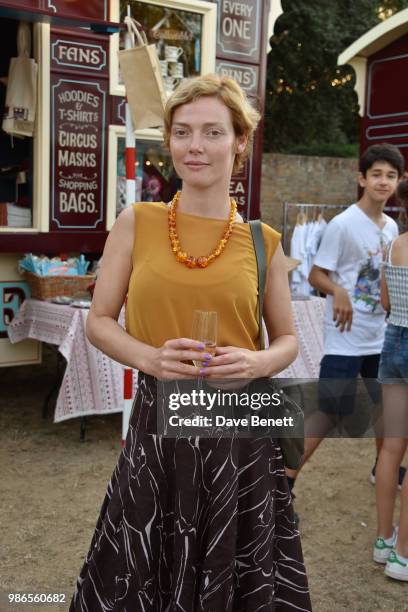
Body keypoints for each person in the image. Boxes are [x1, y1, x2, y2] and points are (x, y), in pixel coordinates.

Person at [70, 74, 312, 611]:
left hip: (238, 430)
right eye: (182, 132)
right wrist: (148, 357)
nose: (195, 146)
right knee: (145, 565)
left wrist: (257, 359)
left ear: (239, 142)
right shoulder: (137, 222)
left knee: (236, 569)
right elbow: (100, 320)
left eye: (212, 132)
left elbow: (288, 340)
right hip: (160, 428)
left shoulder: (263, 240)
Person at [286, 143, 405, 497]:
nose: (383, 182)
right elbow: (316, 275)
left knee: (388, 407)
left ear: (399, 181)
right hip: (345, 335)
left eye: (391, 176)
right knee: (331, 408)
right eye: (377, 175)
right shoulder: (342, 224)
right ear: (362, 179)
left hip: (382, 335)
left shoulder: (392, 228)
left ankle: (383, 467)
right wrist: (337, 291)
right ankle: (285, 479)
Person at [373, 179, 408, 581]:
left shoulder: (394, 244)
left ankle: (384, 541)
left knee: (390, 451)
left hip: (394, 343)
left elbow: (385, 301)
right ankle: (403, 554)